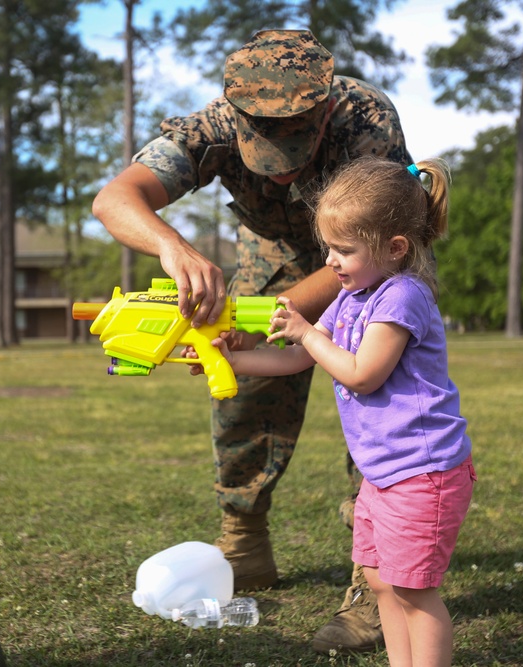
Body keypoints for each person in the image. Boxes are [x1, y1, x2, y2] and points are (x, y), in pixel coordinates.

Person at [91, 29, 411, 652]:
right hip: (273, 259)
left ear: (321, 112)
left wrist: (281, 315)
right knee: (243, 390)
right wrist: (173, 247)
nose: (283, 165)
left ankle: (379, 585)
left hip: (370, 264)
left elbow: (390, 234)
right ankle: (244, 541)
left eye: (295, 144)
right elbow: (114, 199)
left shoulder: (365, 118)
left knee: (379, 405)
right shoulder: (208, 127)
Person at [194, 156, 476, 666]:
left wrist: (305, 331)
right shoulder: (351, 297)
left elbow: (362, 372)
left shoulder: (402, 296)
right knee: (382, 584)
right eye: (328, 247)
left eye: (344, 250)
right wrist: (230, 355)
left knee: (413, 592)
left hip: (423, 473)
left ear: (395, 248)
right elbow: (300, 357)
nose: (330, 262)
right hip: (383, 474)